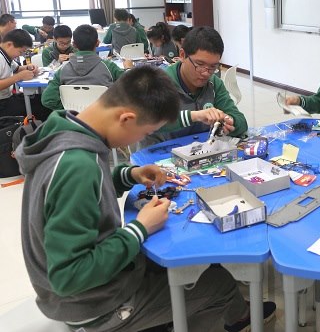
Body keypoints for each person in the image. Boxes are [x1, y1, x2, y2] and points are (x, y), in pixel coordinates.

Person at [16, 65, 275, 332]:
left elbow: (85, 192)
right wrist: (140, 227)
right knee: (220, 284)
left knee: (167, 259)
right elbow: (69, 277)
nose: (140, 139)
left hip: (84, 291)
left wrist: (129, 174)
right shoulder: (78, 167)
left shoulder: (68, 131)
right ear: (126, 118)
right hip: (93, 305)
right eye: (143, 133)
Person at [146, 26, 247, 145]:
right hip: (162, 151)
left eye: (213, 67)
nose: (206, 73)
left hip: (202, 150)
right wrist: (194, 116)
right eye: (200, 64)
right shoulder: (159, 83)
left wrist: (230, 121)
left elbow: (241, 122)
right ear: (182, 55)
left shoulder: (214, 84)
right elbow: (148, 123)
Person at [42, 24, 129, 111]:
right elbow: (132, 87)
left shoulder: (62, 70)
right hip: (103, 116)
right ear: (97, 43)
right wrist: (128, 69)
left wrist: (68, 108)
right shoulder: (109, 67)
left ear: (74, 44)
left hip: (73, 117)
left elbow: (47, 99)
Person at [0, 29, 50, 120]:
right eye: (20, 52)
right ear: (9, 45)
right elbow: (17, 75)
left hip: (9, 97)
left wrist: (28, 67)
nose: (20, 55)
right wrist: (19, 77)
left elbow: (17, 68)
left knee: (44, 99)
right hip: (2, 104)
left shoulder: (6, 55)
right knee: (43, 107)